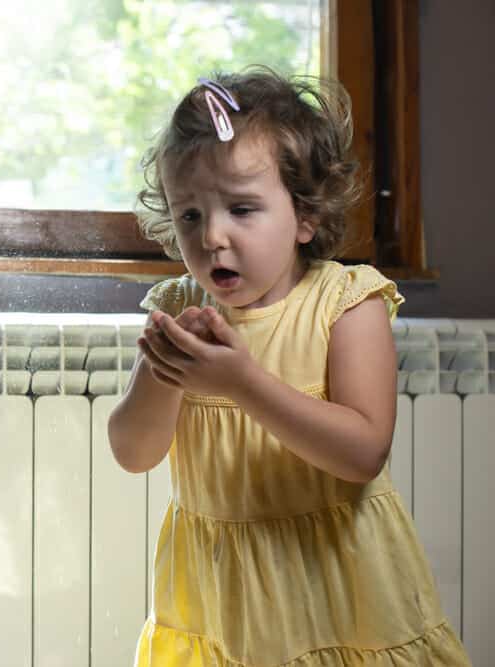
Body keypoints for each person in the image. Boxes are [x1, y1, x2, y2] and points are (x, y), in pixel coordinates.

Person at [108, 67, 471, 665]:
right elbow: (133, 452)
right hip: (220, 600)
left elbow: (362, 453)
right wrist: (167, 371)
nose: (213, 238)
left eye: (242, 209)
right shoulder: (177, 309)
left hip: (336, 588)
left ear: (304, 216)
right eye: (190, 216)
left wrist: (241, 383)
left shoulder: (347, 303)